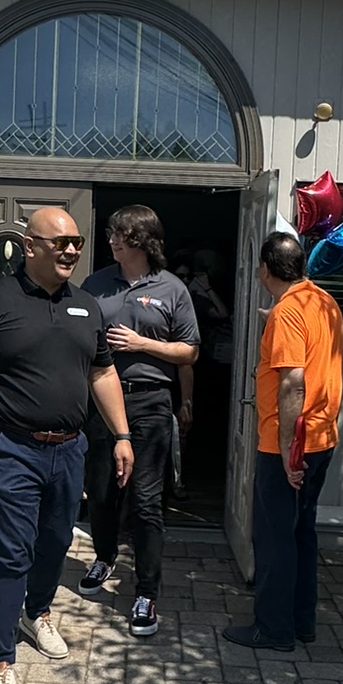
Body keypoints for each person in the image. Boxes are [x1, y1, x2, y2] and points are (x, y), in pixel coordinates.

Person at [0, 207, 133, 684]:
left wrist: (121, 434)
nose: (71, 250)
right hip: (13, 447)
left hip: (70, 448)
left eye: (77, 242)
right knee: (12, 553)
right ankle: (0, 661)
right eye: (61, 242)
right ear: (30, 247)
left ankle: (37, 612)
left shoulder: (87, 306)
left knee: (56, 542)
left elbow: (102, 373)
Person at [80, 206, 201, 637]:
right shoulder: (95, 285)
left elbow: (189, 351)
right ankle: (104, 556)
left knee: (147, 501)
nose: (113, 240)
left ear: (145, 241)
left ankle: (147, 592)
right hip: (101, 403)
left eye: (123, 234)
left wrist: (141, 344)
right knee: (101, 492)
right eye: (112, 233)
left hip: (150, 402)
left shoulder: (172, 289)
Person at [222, 232, 343, 652]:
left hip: (289, 445)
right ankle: (301, 621)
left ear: (265, 269)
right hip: (322, 437)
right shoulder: (322, 302)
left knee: (274, 539)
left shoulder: (288, 313)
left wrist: (290, 450)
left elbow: (293, 382)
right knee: (301, 533)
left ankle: (273, 629)